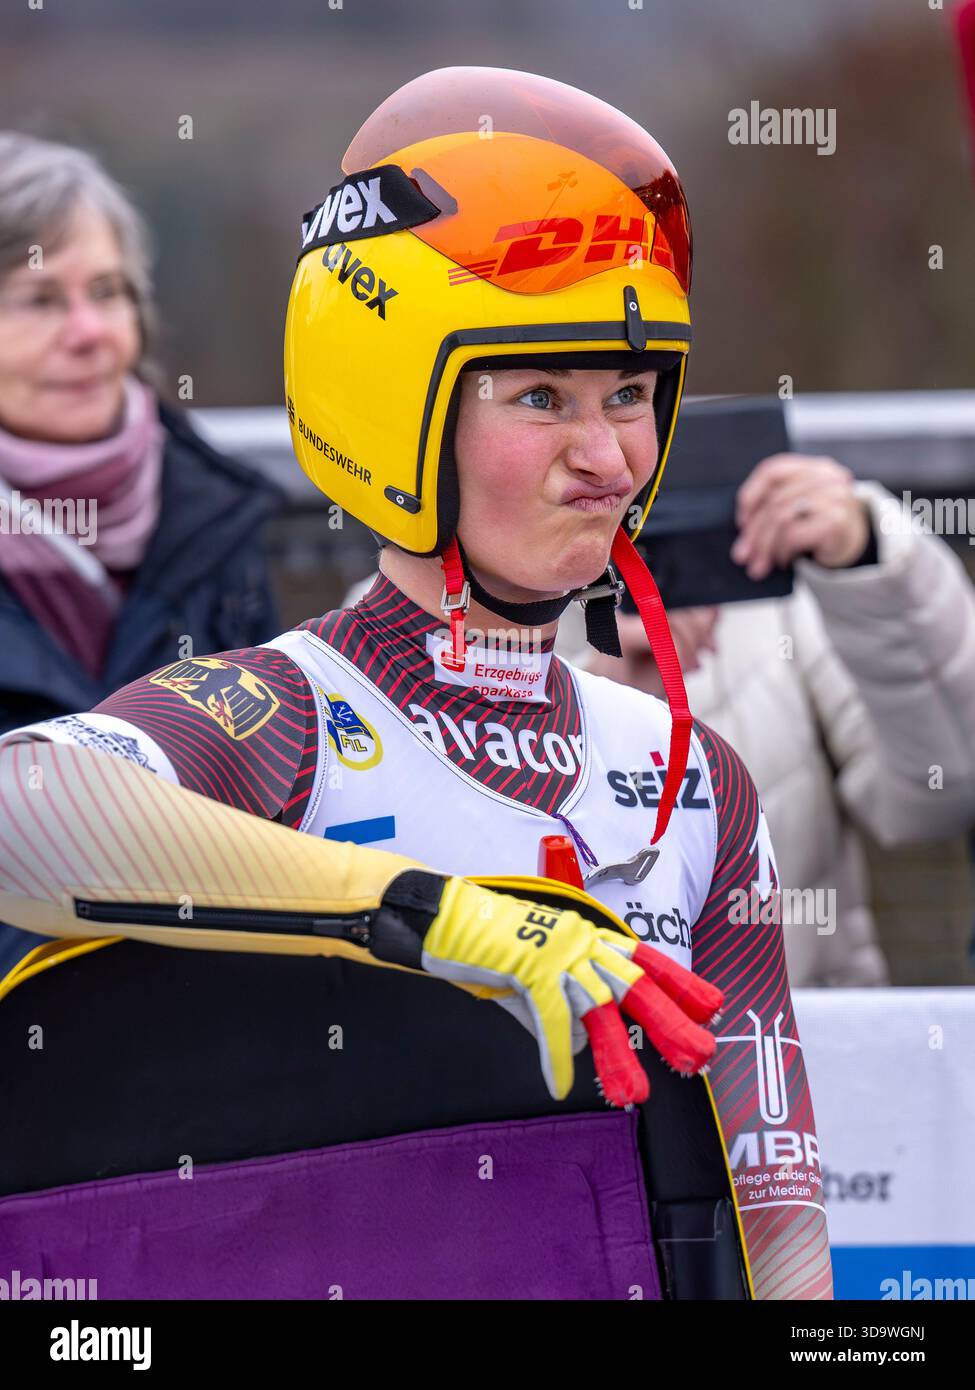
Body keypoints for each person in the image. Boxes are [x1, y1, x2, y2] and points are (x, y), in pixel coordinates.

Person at [0, 69, 831, 1300]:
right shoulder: (292, 716)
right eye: (540, 397)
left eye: (631, 395)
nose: (605, 457)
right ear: (397, 419)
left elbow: (781, 1220)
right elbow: (22, 812)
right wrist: (427, 914)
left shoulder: (694, 779)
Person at [0, 133, 284, 971]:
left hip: (203, 1016)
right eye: (40, 300)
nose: (90, 332)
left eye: (109, 291)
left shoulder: (213, 514)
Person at [585, 454, 975, 986]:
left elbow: (936, 800)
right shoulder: (448, 619)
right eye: (543, 398)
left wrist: (869, 563)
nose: (601, 447)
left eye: (631, 394)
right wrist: (599, 713)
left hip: (811, 1044)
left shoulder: (773, 577)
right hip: (574, 1052)